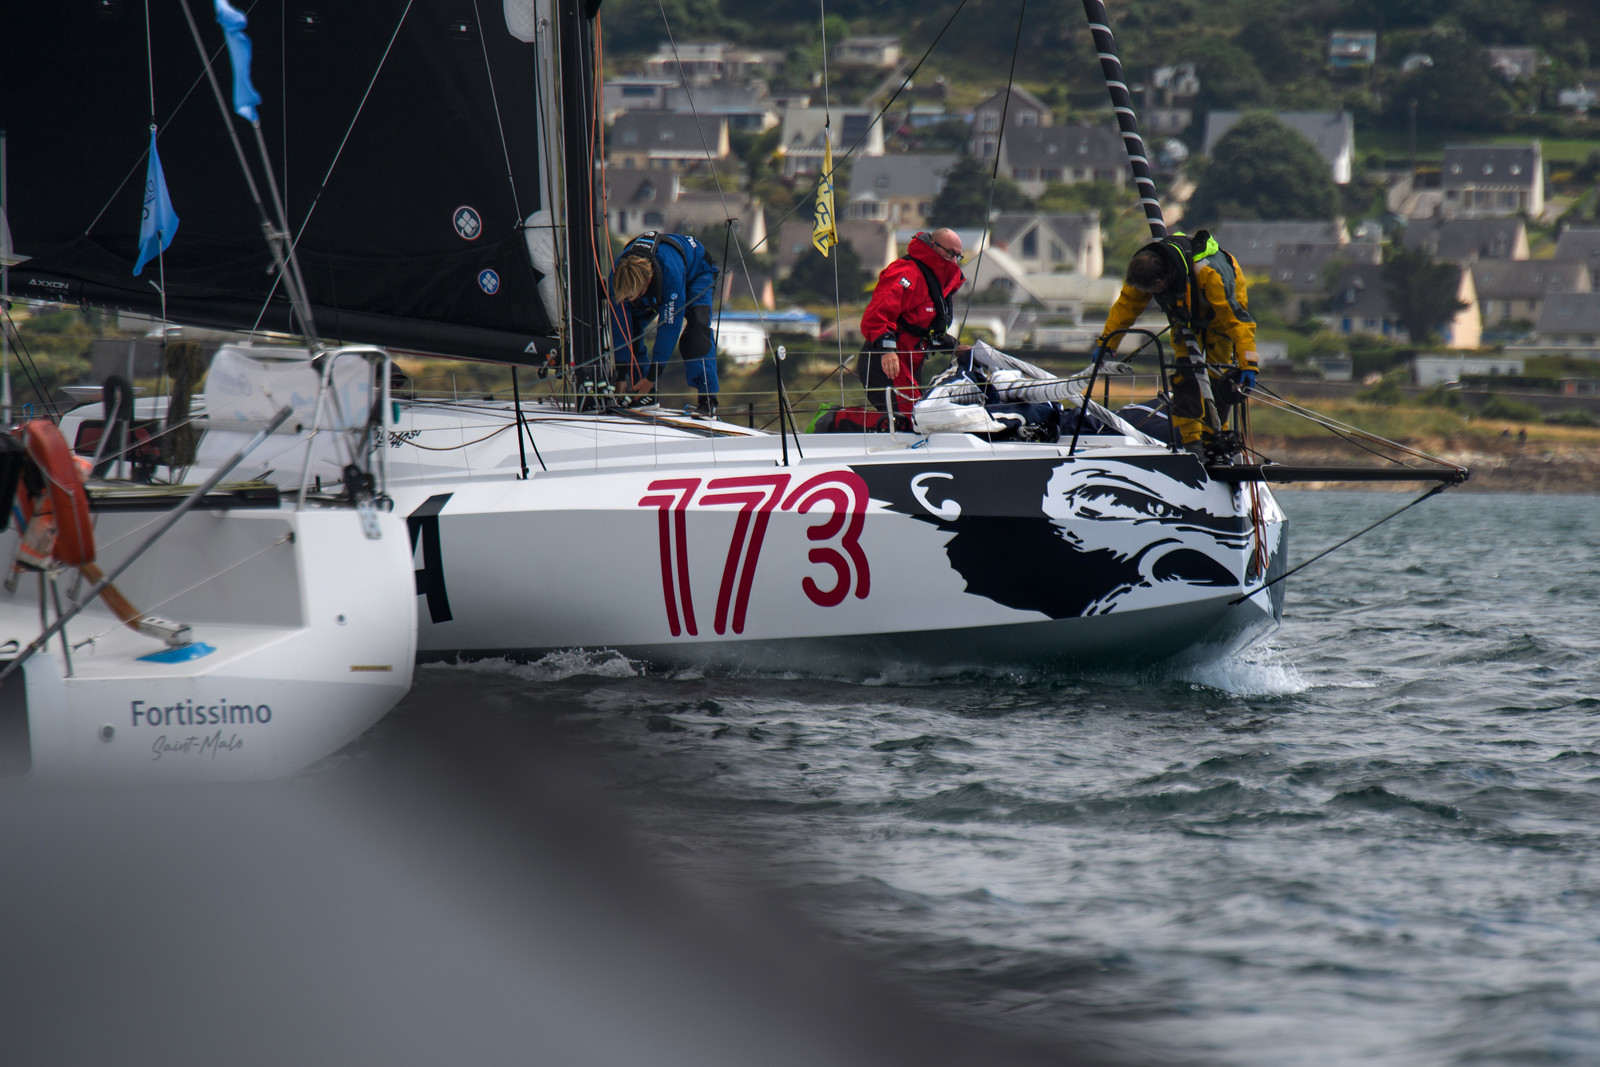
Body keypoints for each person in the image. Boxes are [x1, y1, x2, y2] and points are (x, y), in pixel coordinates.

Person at [1094, 231, 1257, 458]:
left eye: (1151, 292)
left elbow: (1237, 321)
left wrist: (1248, 363)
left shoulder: (1210, 274)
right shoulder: (1143, 270)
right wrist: (1107, 341)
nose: (1148, 296)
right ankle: (1192, 444)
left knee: (1218, 375)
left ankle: (1215, 438)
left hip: (1219, 316)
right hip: (1184, 318)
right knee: (1184, 377)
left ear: (1160, 282)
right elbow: (1127, 305)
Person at [607, 231, 720, 414]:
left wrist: (653, 377)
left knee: (697, 331)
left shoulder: (670, 275)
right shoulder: (617, 278)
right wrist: (621, 375)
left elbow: (669, 328)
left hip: (697, 271)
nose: (630, 300)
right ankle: (644, 393)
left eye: (633, 296)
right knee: (632, 328)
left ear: (648, 281)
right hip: (657, 280)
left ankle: (708, 400)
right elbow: (621, 327)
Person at [857, 228, 967, 416]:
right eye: (950, 253)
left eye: (958, 256)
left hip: (911, 363)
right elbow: (877, 315)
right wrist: (887, 351)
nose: (954, 261)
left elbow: (926, 328)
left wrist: (956, 347)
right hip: (887, 362)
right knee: (910, 419)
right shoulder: (906, 273)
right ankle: (835, 420)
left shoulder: (938, 281)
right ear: (933, 245)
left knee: (917, 418)